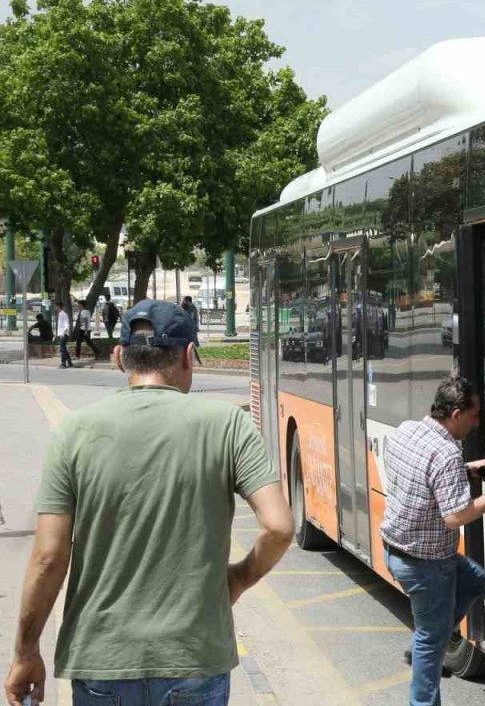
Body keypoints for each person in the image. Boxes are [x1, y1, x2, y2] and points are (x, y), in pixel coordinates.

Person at [3, 299, 294, 706]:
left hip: (101, 661)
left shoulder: (73, 431)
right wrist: (238, 579)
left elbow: (48, 557)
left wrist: (25, 650)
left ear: (119, 357)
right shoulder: (228, 425)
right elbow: (279, 527)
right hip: (194, 658)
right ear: (189, 356)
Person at [380, 376, 485, 706]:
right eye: (474, 415)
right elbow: (455, 516)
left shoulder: (408, 431)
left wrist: (470, 468)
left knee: (476, 580)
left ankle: (431, 638)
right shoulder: (444, 454)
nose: (477, 423)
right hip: (425, 565)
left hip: (396, 549)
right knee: (432, 640)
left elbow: (425, 472)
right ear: (456, 414)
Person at [54, 301, 72, 369]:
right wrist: (57, 334)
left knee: (62, 349)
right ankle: (69, 362)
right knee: (63, 348)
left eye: (55, 306)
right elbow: (60, 326)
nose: (54, 307)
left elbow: (66, 325)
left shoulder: (63, 314)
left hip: (64, 334)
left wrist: (63, 333)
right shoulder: (60, 314)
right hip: (61, 334)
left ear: (58, 306)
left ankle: (63, 363)